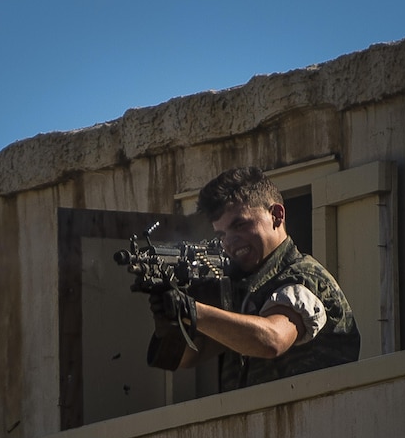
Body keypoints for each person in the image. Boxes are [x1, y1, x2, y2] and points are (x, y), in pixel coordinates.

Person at [147, 166, 360, 390]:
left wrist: (193, 310)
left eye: (240, 225)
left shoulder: (303, 276)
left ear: (277, 216)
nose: (229, 242)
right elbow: (185, 358)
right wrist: (173, 320)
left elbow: (273, 340)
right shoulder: (244, 292)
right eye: (221, 234)